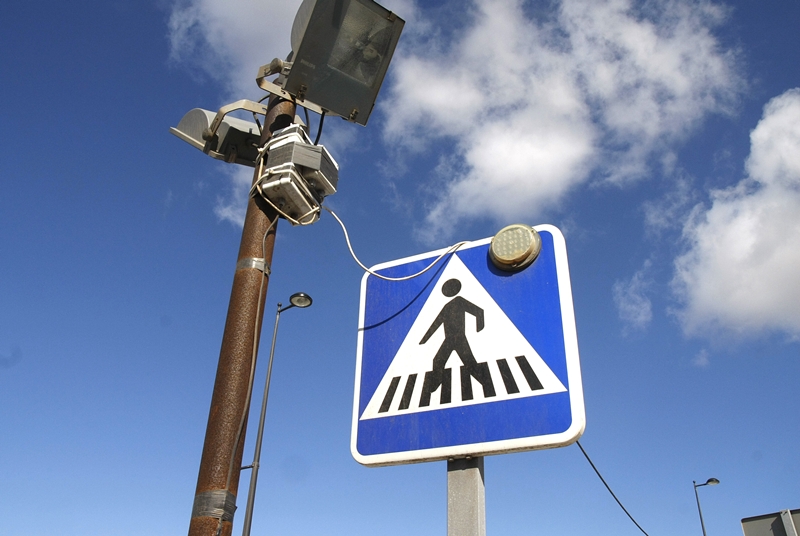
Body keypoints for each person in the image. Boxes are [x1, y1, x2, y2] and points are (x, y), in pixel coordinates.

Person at [418, 278, 496, 406]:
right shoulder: (447, 306)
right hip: (449, 340)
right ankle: (435, 385)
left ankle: (486, 383)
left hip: (459, 338)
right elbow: (436, 324)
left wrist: (479, 327)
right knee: (437, 360)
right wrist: (424, 340)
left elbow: (478, 311)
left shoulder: (460, 301)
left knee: (470, 363)